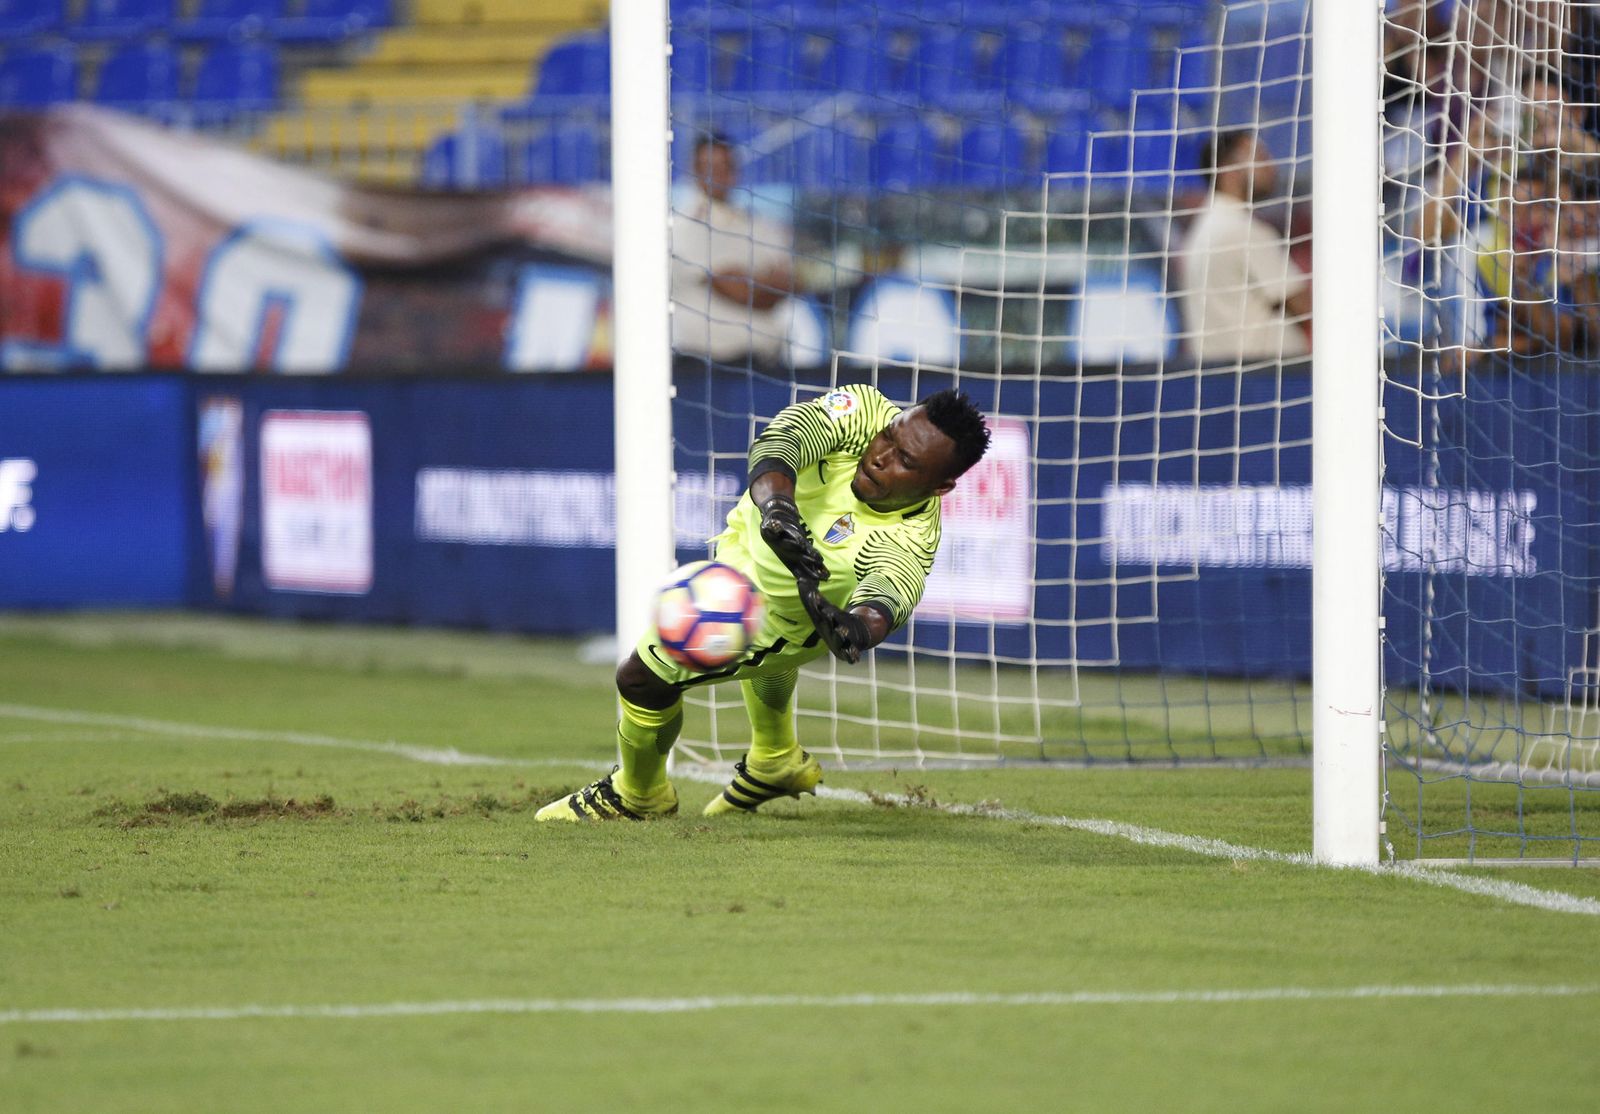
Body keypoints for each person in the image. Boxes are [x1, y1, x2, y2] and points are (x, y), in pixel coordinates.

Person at [536, 384, 991, 821]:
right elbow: (785, 437)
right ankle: (775, 758)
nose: (880, 457)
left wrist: (851, 628)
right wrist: (778, 508)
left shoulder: (908, 540)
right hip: (747, 540)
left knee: (641, 679)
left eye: (905, 461)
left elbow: (883, 605)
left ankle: (639, 796)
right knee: (726, 657)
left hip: (784, 620)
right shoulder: (866, 411)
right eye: (889, 436)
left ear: (939, 487)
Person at [1177, 130, 1312, 365]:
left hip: (1222, 375)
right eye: (1260, 156)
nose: (1272, 167)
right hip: (1265, 378)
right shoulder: (1242, 230)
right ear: (1228, 170)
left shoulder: (1203, 227)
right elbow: (1305, 305)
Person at [670, 133, 796, 366]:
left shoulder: (759, 225)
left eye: (725, 166)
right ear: (694, 170)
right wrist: (760, 281)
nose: (718, 174)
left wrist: (750, 280)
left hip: (764, 364)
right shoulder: (682, 228)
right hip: (703, 369)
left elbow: (788, 282)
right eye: (710, 166)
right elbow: (736, 290)